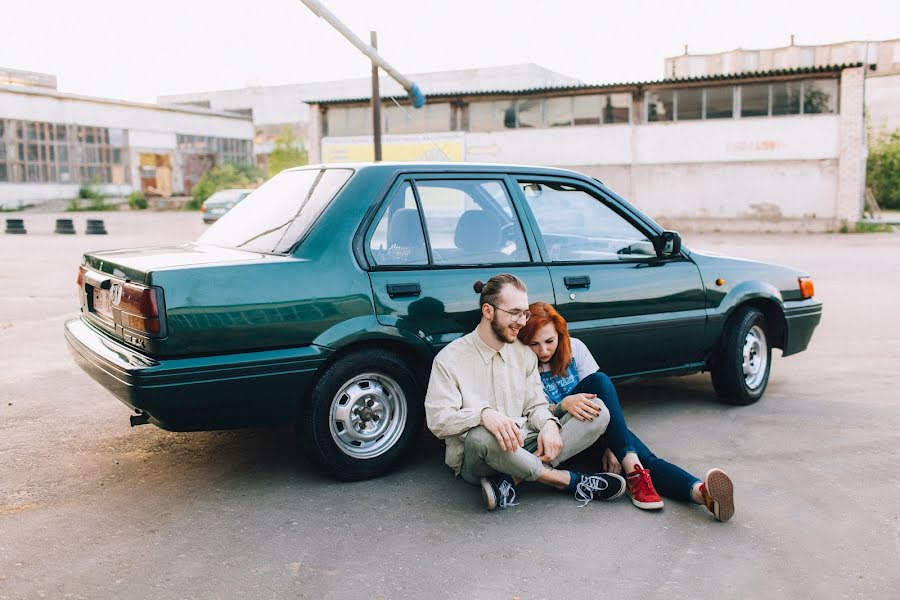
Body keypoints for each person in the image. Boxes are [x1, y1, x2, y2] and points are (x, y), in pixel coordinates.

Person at [517, 301, 735, 522]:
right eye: (534, 344)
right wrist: (563, 405)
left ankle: (701, 493)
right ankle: (633, 469)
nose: (543, 350)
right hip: (562, 437)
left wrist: (614, 444)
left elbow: (602, 398)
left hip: (594, 425)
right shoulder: (522, 362)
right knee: (630, 447)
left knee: (643, 457)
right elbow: (530, 412)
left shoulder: (576, 348)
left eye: (549, 341)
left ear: (560, 334)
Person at [424, 274, 626, 511]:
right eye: (514, 313)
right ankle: (566, 480)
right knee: (481, 434)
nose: (522, 322)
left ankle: (510, 480)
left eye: (525, 313)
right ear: (488, 311)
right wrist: (483, 414)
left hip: (525, 443)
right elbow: (438, 422)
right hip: (482, 456)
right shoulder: (449, 359)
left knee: (599, 411)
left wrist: (549, 425)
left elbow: (535, 406)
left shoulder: (524, 353)